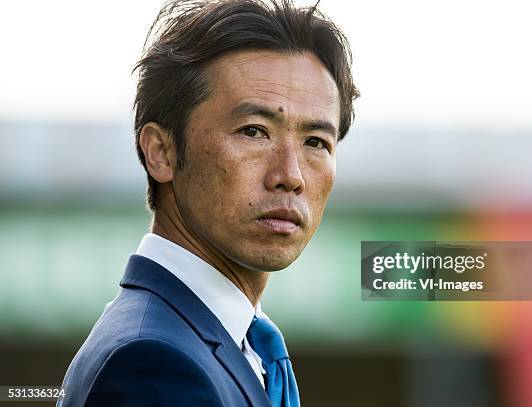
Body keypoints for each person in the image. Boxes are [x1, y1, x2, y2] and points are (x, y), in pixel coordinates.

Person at [58, 0, 358, 406]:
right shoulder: (151, 362)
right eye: (254, 131)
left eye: (315, 142)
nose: (291, 175)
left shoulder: (234, 347)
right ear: (161, 152)